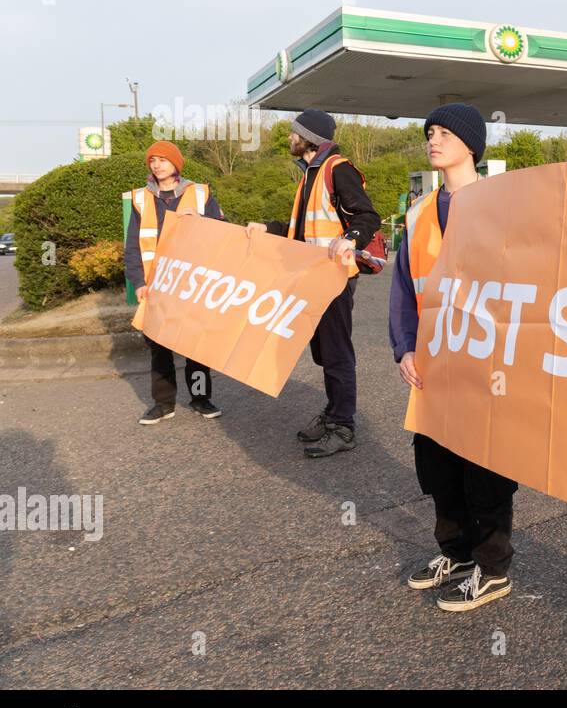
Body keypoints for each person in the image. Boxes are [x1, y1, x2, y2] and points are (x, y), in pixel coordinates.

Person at [389, 103, 518, 611]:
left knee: (485, 465)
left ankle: (493, 568)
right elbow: (403, 289)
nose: (433, 140)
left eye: (444, 133)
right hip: (434, 364)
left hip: (487, 364)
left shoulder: (503, 205)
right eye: (429, 133)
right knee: (439, 465)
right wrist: (403, 347)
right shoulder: (419, 211)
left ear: (471, 146)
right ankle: (457, 554)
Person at [246, 109, 381, 458]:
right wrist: (268, 228)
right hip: (315, 277)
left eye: (294, 132)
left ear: (309, 137)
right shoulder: (311, 174)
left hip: (334, 276)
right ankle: (334, 412)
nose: (289, 137)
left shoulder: (337, 169)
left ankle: (343, 426)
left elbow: (367, 216)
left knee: (336, 353)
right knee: (323, 352)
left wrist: (351, 239)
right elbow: (302, 231)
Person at [124, 140, 226, 424]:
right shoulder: (141, 198)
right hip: (156, 284)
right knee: (158, 345)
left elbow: (224, 231)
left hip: (192, 283)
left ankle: (200, 398)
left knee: (195, 345)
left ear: (176, 165)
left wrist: (203, 221)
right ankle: (163, 404)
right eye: (153, 160)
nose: (157, 165)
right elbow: (133, 246)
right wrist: (139, 282)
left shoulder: (200, 194)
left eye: (163, 160)